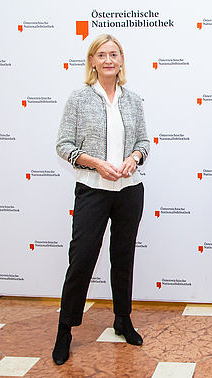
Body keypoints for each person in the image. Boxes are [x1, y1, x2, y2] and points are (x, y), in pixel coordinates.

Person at [53, 34, 150, 365]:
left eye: (114, 54)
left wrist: (134, 158)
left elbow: (144, 141)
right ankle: (65, 329)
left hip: (129, 191)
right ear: (92, 61)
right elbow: (64, 146)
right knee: (81, 261)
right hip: (92, 190)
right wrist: (95, 163)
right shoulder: (79, 99)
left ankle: (122, 319)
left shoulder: (133, 99)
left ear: (121, 60)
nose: (108, 60)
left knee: (123, 260)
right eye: (101, 54)